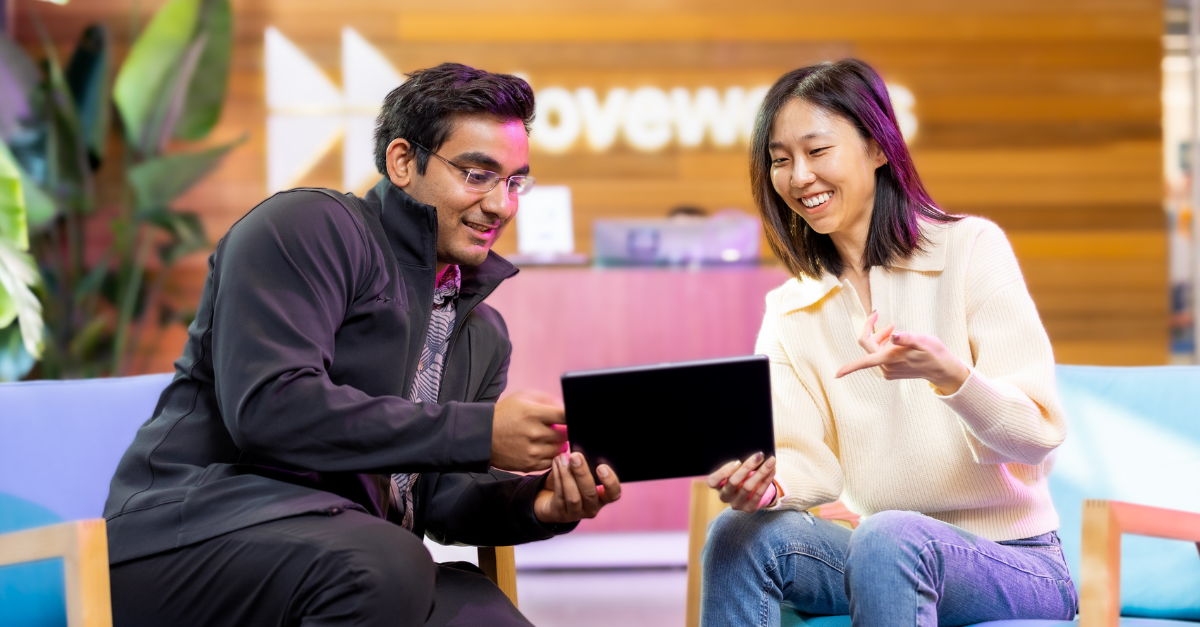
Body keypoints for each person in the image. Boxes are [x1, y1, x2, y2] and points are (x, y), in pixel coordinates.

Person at [103, 63, 622, 627]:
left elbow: (438, 503)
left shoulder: (481, 332)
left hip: (355, 554)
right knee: (385, 563)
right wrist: (478, 431)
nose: (502, 205)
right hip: (189, 532)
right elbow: (271, 408)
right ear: (403, 161)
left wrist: (538, 504)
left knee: (482, 614)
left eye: (514, 181)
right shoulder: (308, 227)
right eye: (477, 174)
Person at [699, 59, 1077, 626]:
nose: (799, 176)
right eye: (780, 160)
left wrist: (952, 377)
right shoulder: (792, 309)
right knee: (738, 536)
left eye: (817, 151)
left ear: (877, 148)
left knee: (889, 535)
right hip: (882, 552)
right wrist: (766, 486)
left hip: (1016, 564)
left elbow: (1038, 437)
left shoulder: (970, 250)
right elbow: (807, 463)